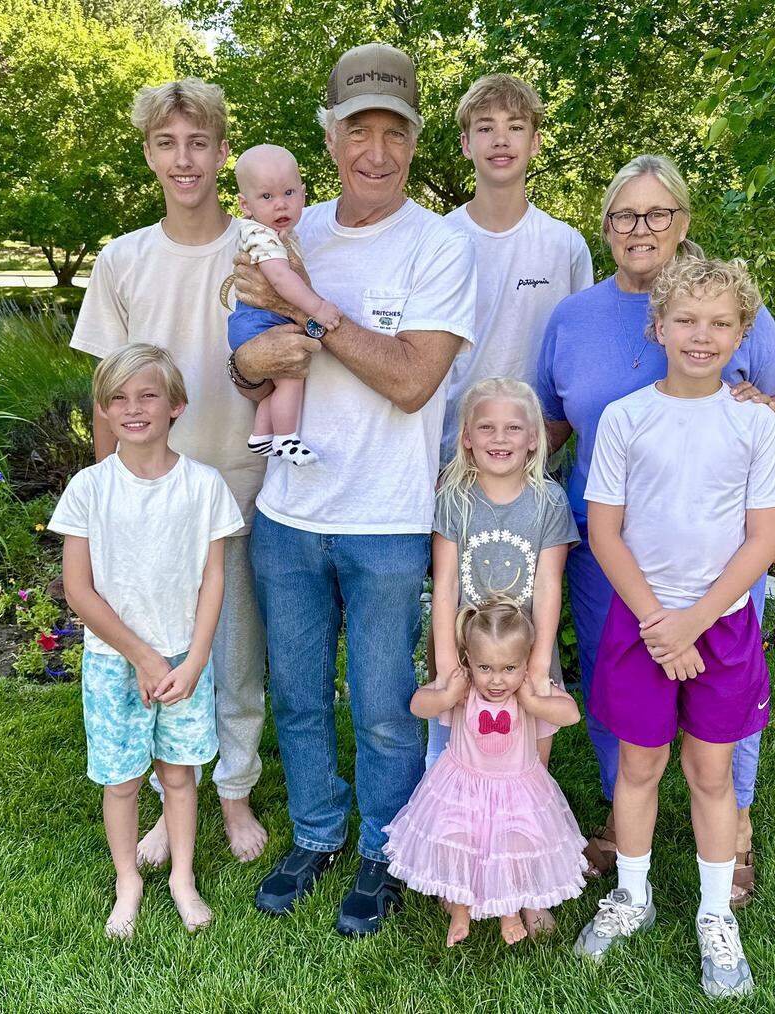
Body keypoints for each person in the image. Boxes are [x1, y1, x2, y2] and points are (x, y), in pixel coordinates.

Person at [229, 43, 477, 937]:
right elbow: (254, 359)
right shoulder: (291, 230)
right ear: (329, 137)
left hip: (387, 522)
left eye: (394, 133)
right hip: (287, 515)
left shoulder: (439, 246)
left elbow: (414, 381)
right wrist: (247, 361)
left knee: (380, 708)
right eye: (358, 130)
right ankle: (320, 832)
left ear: (414, 142)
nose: (376, 151)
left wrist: (316, 314)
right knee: (297, 696)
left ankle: (384, 847)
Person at [537, 154, 775, 895]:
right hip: (607, 547)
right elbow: (552, 423)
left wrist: (750, 418)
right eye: (625, 215)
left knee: (724, 689)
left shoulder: (730, 305)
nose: (640, 228)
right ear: (607, 227)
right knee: (624, 689)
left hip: (717, 550)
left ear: (683, 223)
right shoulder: (575, 317)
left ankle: (734, 822)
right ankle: (628, 820)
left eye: (657, 214)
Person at [71, 80, 289, 868]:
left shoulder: (257, 248)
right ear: (149, 155)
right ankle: (173, 794)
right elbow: (106, 391)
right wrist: (110, 503)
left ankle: (232, 791)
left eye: (199, 142)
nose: (184, 158)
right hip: (150, 495)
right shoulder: (123, 259)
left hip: (241, 483)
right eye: (167, 143)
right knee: (160, 649)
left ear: (223, 150)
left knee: (233, 653)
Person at [572, 257, 775, 999]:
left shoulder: (754, 423)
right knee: (638, 765)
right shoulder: (626, 418)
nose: (702, 335)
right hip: (641, 625)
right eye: (687, 320)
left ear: (742, 334)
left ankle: (714, 913)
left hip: (719, 628)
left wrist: (694, 622)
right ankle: (632, 895)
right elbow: (604, 531)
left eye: (720, 323)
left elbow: (762, 539)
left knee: (711, 772)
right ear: (658, 326)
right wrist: (660, 624)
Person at [50, 345, 244, 937]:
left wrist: (197, 659)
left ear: (176, 405)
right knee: (123, 780)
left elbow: (215, 579)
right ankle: (128, 881)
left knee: (179, 776)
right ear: (103, 413)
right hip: (115, 662)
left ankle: (183, 878)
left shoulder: (204, 486)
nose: (133, 409)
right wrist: (140, 654)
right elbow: (79, 591)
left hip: (186, 662)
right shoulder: (89, 488)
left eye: (147, 395)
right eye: (118, 400)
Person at [385, 599, 586, 947]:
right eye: (485, 668)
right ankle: (461, 912)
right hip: (464, 788)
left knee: (512, 844)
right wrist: (448, 692)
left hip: (517, 791)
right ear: (469, 662)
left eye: (509, 668)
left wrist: (535, 701)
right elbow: (418, 706)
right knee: (460, 841)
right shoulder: (465, 693)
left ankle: (509, 912)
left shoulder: (527, 693)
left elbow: (571, 715)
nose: (496, 680)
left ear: (526, 663)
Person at [426, 378, 578, 788]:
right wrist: (446, 666)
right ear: (467, 437)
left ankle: (520, 840)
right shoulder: (454, 499)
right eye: (486, 427)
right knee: (455, 765)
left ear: (533, 438)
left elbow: (548, 586)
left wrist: (540, 664)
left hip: (525, 654)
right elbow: (445, 587)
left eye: (513, 428)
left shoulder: (548, 501)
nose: (500, 438)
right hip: (468, 654)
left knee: (529, 771)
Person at [439, 74, 593, 464]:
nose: (501, 140)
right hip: (447, 459)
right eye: (485, 128)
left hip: (537, 461)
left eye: (516, 127)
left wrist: (548, 441)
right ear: (465, 144)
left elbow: (577, 360)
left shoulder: (565, 245)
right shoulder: (435, 240)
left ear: (535, 142)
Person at [226, 144, 341, 464]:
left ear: (303, 194)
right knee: (291, 377)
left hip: (259, 321)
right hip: (258, 321)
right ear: (245, 205)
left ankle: (261, 435)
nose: (281, 204)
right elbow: (279, 280)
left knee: (280, 381)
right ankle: (286, 439)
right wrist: (316, 308)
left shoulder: (279, 232)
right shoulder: (262, 235)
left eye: (289, 192)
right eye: (267, 197)